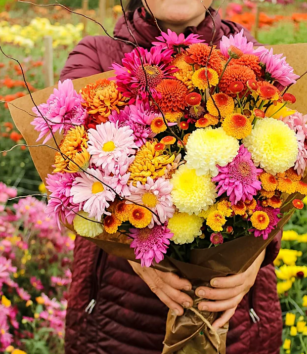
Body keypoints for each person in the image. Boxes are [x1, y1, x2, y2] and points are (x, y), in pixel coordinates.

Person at [59, 1, 283, 353]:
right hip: (120, 309)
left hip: (232, 308)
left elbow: (283, 175)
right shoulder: (96, 56)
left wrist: (257, 250)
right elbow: (66, 176)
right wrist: (135, 250)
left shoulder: (247, 54)